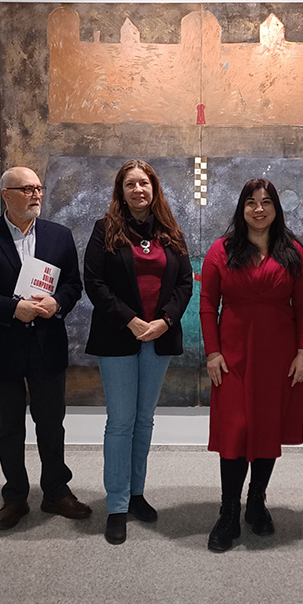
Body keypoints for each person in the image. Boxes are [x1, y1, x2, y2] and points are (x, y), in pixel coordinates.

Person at [0, 166, 90, 531]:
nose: (36, 194)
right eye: (26, 189)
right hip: (2, 345)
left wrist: (57, 303)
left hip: (47, 344)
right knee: (9, 425)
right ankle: (15, 495)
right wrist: (12, 309)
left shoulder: (59, 236)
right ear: (6, 195)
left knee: (51, 424)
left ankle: (56, 491)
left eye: (38, 188)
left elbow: (73, 285)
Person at [200, 178, 303, 553]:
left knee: (266, 429)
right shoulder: (221, 250)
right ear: (242, 209)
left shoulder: (293, 252)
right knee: (235, 432)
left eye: (266, 202)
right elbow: (207, 304)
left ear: (276, 208)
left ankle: (256, 502)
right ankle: (228, 511)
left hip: (278, 358)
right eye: (251, 202)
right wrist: (213, 353)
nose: (259, 209)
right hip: (231, 358)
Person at [83, 160, 193, 545]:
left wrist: (165, 321)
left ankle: (135, 494)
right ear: (121, 191)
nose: (138, 190)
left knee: (144, 420)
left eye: (143, 183)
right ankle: (116, 505)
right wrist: (130, 321)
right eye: (130, 184)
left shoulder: (171, 231)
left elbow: (184, 284)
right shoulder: (105, 229)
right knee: (120, 422)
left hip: (158, 337)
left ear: (154, 188)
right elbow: (94, 282)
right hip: (118, 336)